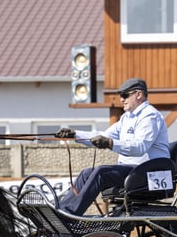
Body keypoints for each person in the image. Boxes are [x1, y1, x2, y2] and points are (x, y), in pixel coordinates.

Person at [54, 77, 170, 216]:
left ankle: (71, 215)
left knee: (102, 173)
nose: (121, 99)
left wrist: (110, 143)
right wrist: (74, 134)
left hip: (147, 173)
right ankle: (62, 212)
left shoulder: (149, 116)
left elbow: (140, 146)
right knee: (86, 173)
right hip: (133, 172)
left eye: (125, 95)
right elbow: (103, 135)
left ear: (138, 94)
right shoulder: (127, 118)